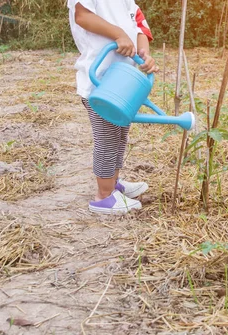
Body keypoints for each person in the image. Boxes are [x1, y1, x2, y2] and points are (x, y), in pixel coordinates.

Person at [67, 0, 158, 214]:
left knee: (120, 135)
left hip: (123, 81)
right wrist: (118, 34)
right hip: (100, 82)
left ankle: (113, 182)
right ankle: (104, 196)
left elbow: (139, 27)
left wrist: (144, 53)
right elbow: (82, 15)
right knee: (107, 139)